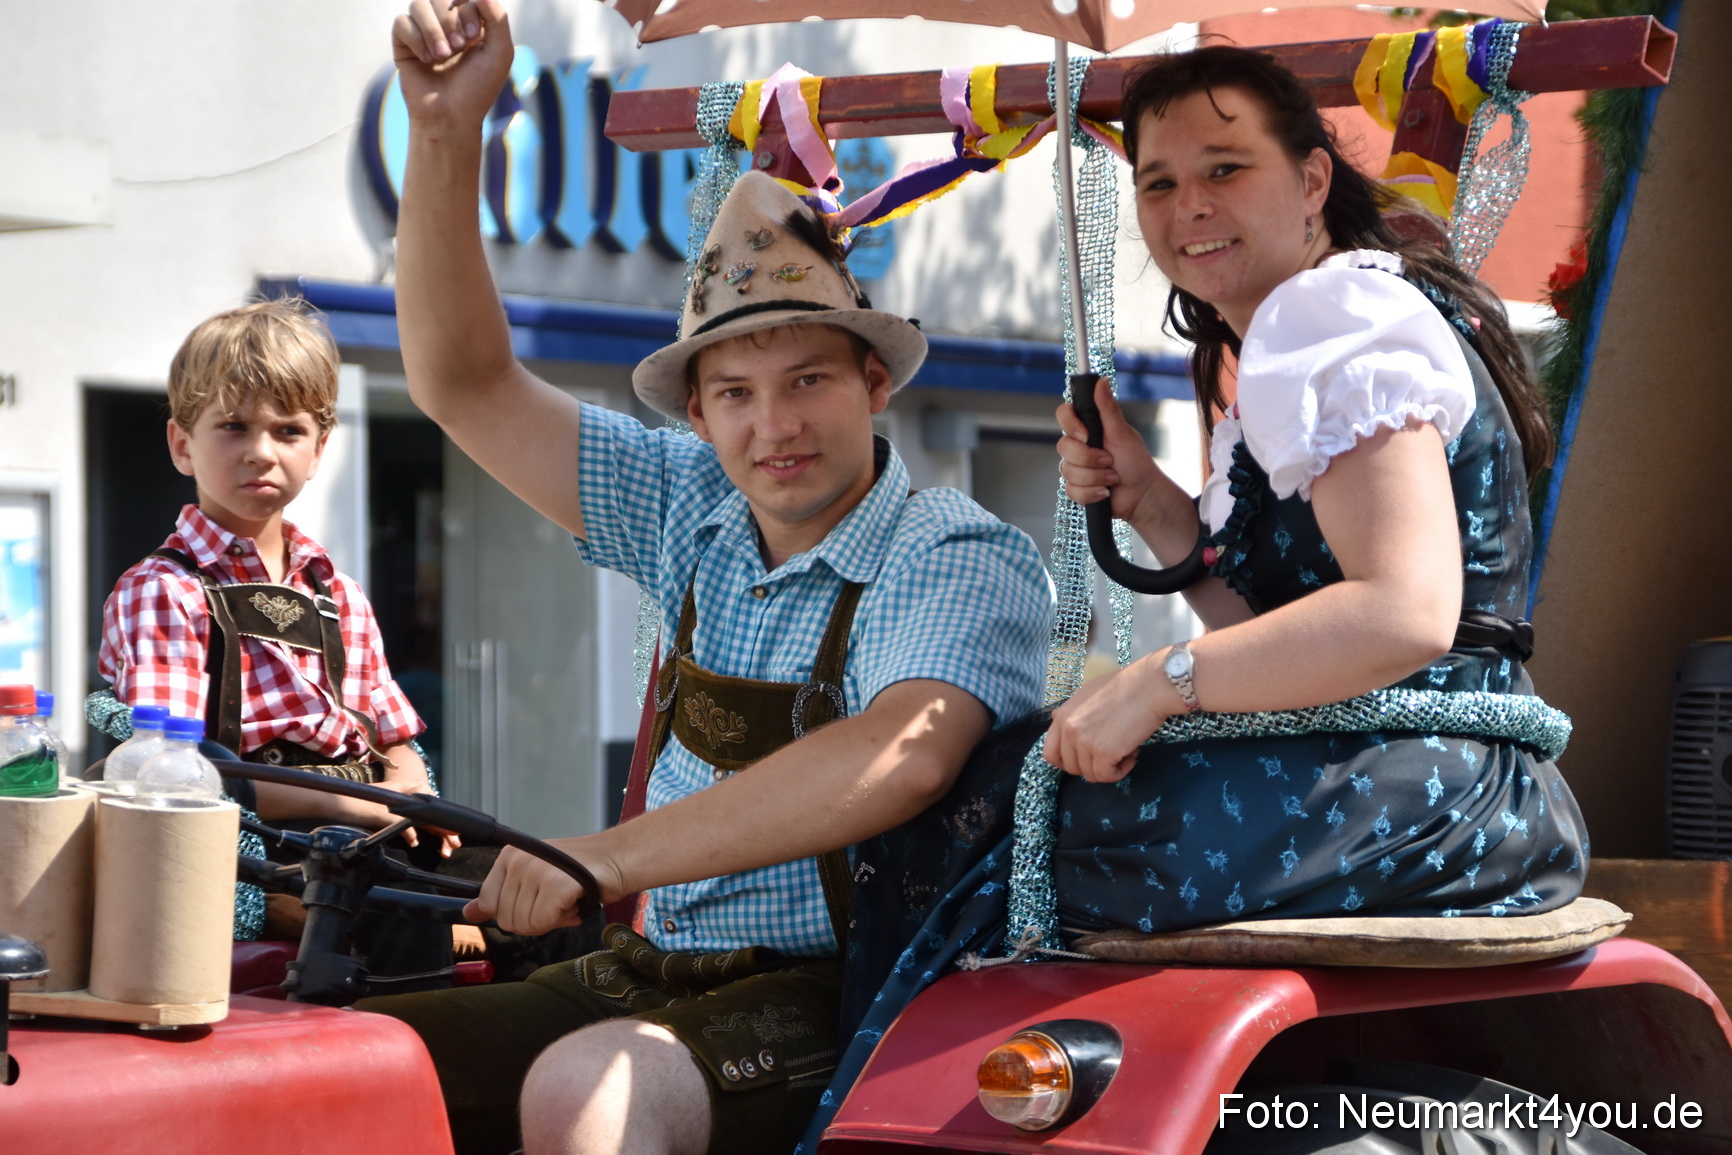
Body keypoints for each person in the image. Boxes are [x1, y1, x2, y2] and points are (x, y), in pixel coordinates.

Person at [355, 4, 1051, 1154]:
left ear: (875, 383)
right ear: (697, 412)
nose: (773, 425)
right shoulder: (693, 509)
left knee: (591, 1093)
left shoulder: (954, 550)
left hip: (850, 996)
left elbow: (900, 751)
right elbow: (466, 385)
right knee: (348, 1064)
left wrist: (602, 858)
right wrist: (443, 131)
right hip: (640, 973)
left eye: (808, 381)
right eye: (735, 392)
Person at [1041, 45, 1585, 929]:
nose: (1191, 208)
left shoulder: (1331, 314)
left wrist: (1157, 680)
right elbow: (1273, 640)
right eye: (1159, 184)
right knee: (1011, 787)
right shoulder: (1301, 334)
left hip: (1425, 787)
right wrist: (1147, 498)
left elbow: (1402, 617)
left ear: (1312, 180)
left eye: (1225, 168)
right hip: (1408, 775)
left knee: (1005, 828)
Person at [95, 297, 460, 971]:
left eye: (288, 431)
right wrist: (361, 802)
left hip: (366, 818)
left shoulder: (339, 593)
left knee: (543, 889)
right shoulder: (165, 590)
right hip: (250, 835)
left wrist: (411, 800)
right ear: (183, 444)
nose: (260, 453)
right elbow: (176, 774)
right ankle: (417, 1064)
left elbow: (396, 740)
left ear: (320, 449)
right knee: (400, 904)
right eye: (233, 426)